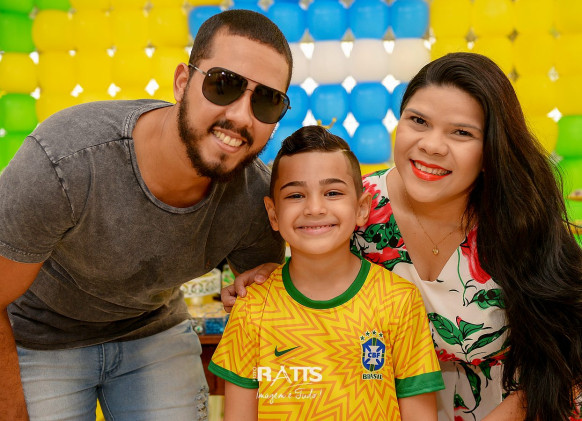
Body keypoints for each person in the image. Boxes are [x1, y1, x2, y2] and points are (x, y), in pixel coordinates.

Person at [223, 53, 582, 421]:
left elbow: (568, 352)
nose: (432, 145)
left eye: (461, 132)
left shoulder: (518, 218)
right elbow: (315, 273)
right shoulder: (352, 208)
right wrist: (271, 276)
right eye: (418, 121)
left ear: (491, 149)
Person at [0, 9, 292, 420]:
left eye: (267, 100)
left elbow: (267, 314)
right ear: (182, 83)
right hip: (39, 334)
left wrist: (262, 289)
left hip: (152, 327)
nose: (242, 116)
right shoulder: (66, 160)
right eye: (224, 84)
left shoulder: (256, 198)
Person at [210, 125, 445, 421]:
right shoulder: (252, 306)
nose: (315, 208)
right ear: (273, 214)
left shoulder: (399, 301)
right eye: (296, 195)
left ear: (361, 208)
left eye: (332, 192)